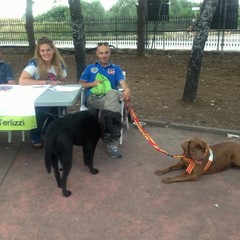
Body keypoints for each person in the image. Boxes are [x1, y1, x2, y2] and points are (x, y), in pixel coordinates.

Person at [79, 42, 131, 158]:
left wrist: (127, 89)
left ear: (110, 53)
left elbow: (122, 83)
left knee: (113, 93)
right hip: (93, 99)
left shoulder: (116, 68)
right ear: (97, 54)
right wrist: (93, 83)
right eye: (101, 53)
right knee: (114, 102)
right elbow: (81, 84)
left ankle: (108, 136)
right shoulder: (90, 68)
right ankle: (112, 140)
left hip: (109, 99)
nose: (104, 56)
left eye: (106, 52)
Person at [19, 36, 67, 148]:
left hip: (55, 95)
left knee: (60, 111)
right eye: (43, 50)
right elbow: (22, 80)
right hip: (37, 97)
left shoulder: (59, 64)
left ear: (53, 50)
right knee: (43, 111)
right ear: (39, 52)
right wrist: (46, 82)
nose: (46, 53)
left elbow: (63, 79)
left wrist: (60, 82)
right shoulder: (34, 64)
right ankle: (35, 135)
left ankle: (47, 132)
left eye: (48, 50)